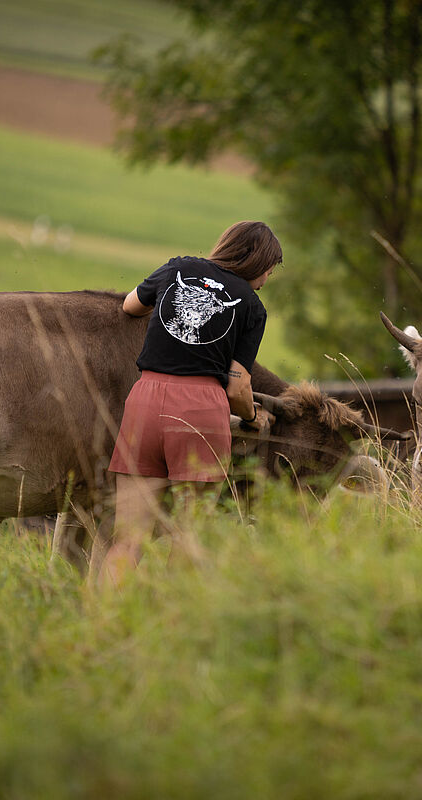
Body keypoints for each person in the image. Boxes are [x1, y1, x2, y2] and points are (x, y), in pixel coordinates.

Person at [99, 220, 281, 587]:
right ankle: (173, 626)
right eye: (269, 270)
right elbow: (237, 385)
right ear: (259, 264)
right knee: (187, 537)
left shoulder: (179, 266)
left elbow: (130, 306)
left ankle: (104, 623)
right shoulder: (251, 306)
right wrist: (252, 416)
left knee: (127, 540)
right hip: (201, 412)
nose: (267, 278)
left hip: (146, 401)